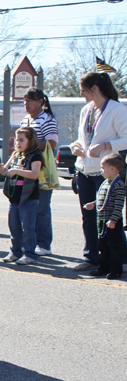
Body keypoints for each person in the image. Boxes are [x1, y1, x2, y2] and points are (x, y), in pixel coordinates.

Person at [69, 72, 127, 272]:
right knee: (89, 217)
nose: (82, 95)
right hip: (84, 170)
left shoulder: (117, 109)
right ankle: (91, 257)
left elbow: (125, 139)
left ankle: (120, 260)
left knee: (111, 218)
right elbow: (80, 138)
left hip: (106, 173)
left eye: (84, 90)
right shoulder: (86, 109)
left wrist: (106, 145)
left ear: (95, 88)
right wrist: (75, 147)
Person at [20, 88, 59, 257]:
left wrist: (31, 144)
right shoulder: (25, 120)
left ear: (40, 102)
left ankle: (44, 244)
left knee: (41, 208)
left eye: (29, 101)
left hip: (42, 169)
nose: (26, 104)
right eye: (24, 101)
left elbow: (52, 142)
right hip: (26, 168)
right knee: (27, 207)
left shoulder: (47, 119)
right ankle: (29, 242)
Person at [0, 127, 43, 265]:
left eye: (22, 140)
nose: (18, 143)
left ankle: (30, 254)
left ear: (31, 140)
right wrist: (1, 170)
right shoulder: (16, 155)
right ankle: (15, 251)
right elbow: (7, 171)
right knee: (14, 226)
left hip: (28, 197)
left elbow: (34, 174)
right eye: (16, 140)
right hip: (14, 197)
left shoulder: (35, 156)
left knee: (27, 228)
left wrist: (16, 170)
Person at [82, 153, 125, 279]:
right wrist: (93, 204)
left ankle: (116, 270)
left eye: (103, 168)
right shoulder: (105, 183)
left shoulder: (118, 185)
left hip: (112, 221)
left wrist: (113, 219)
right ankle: (103, 268)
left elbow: (118, 205)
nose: (101, 171)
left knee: (114, 247)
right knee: (102, 246)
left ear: (112, 168)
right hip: (102, 220)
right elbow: (104, 200)